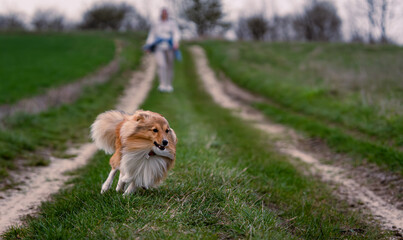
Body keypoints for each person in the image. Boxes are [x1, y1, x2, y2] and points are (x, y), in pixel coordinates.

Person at [145, 8, 181, 93]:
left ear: (167, 14)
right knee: (162, 65)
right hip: (159, 46)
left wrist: (176, 42)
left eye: (166, 13)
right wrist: (148, 46)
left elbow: (176, 33)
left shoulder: (172, 23)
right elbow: (152, 35)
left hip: (170, 46)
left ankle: (169, 85)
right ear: (161, 14)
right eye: (163, 13)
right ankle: (162, 84)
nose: (164, 14)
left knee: (170, 65)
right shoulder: (156, 24)